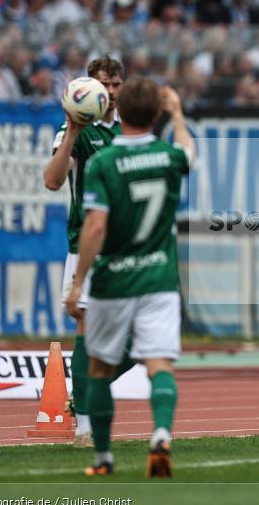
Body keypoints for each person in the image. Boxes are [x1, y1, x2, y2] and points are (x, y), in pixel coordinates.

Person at [65, 80, 193, 478]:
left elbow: (95, 226)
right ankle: (159, 433)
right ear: (155, 113)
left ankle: (103, 457)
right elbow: (189, 152)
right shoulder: (168, 155)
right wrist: (177, 114)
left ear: (119, 111)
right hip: (158, 278)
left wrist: (77, 281)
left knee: (100, 369)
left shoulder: (103, 163)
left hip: (112, 281)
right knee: (159, 366)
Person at [43, 56, 136, 447]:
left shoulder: (132, 129)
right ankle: (83, 427)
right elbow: (52, 180)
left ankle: (81, 393)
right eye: (104, 85)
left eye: (116, 84)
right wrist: (71, 133)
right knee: (86, 329)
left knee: (143, 338)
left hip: (129, 247)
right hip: (87, 244)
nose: (111, 92)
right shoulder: (74, 128)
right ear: (90, 86)